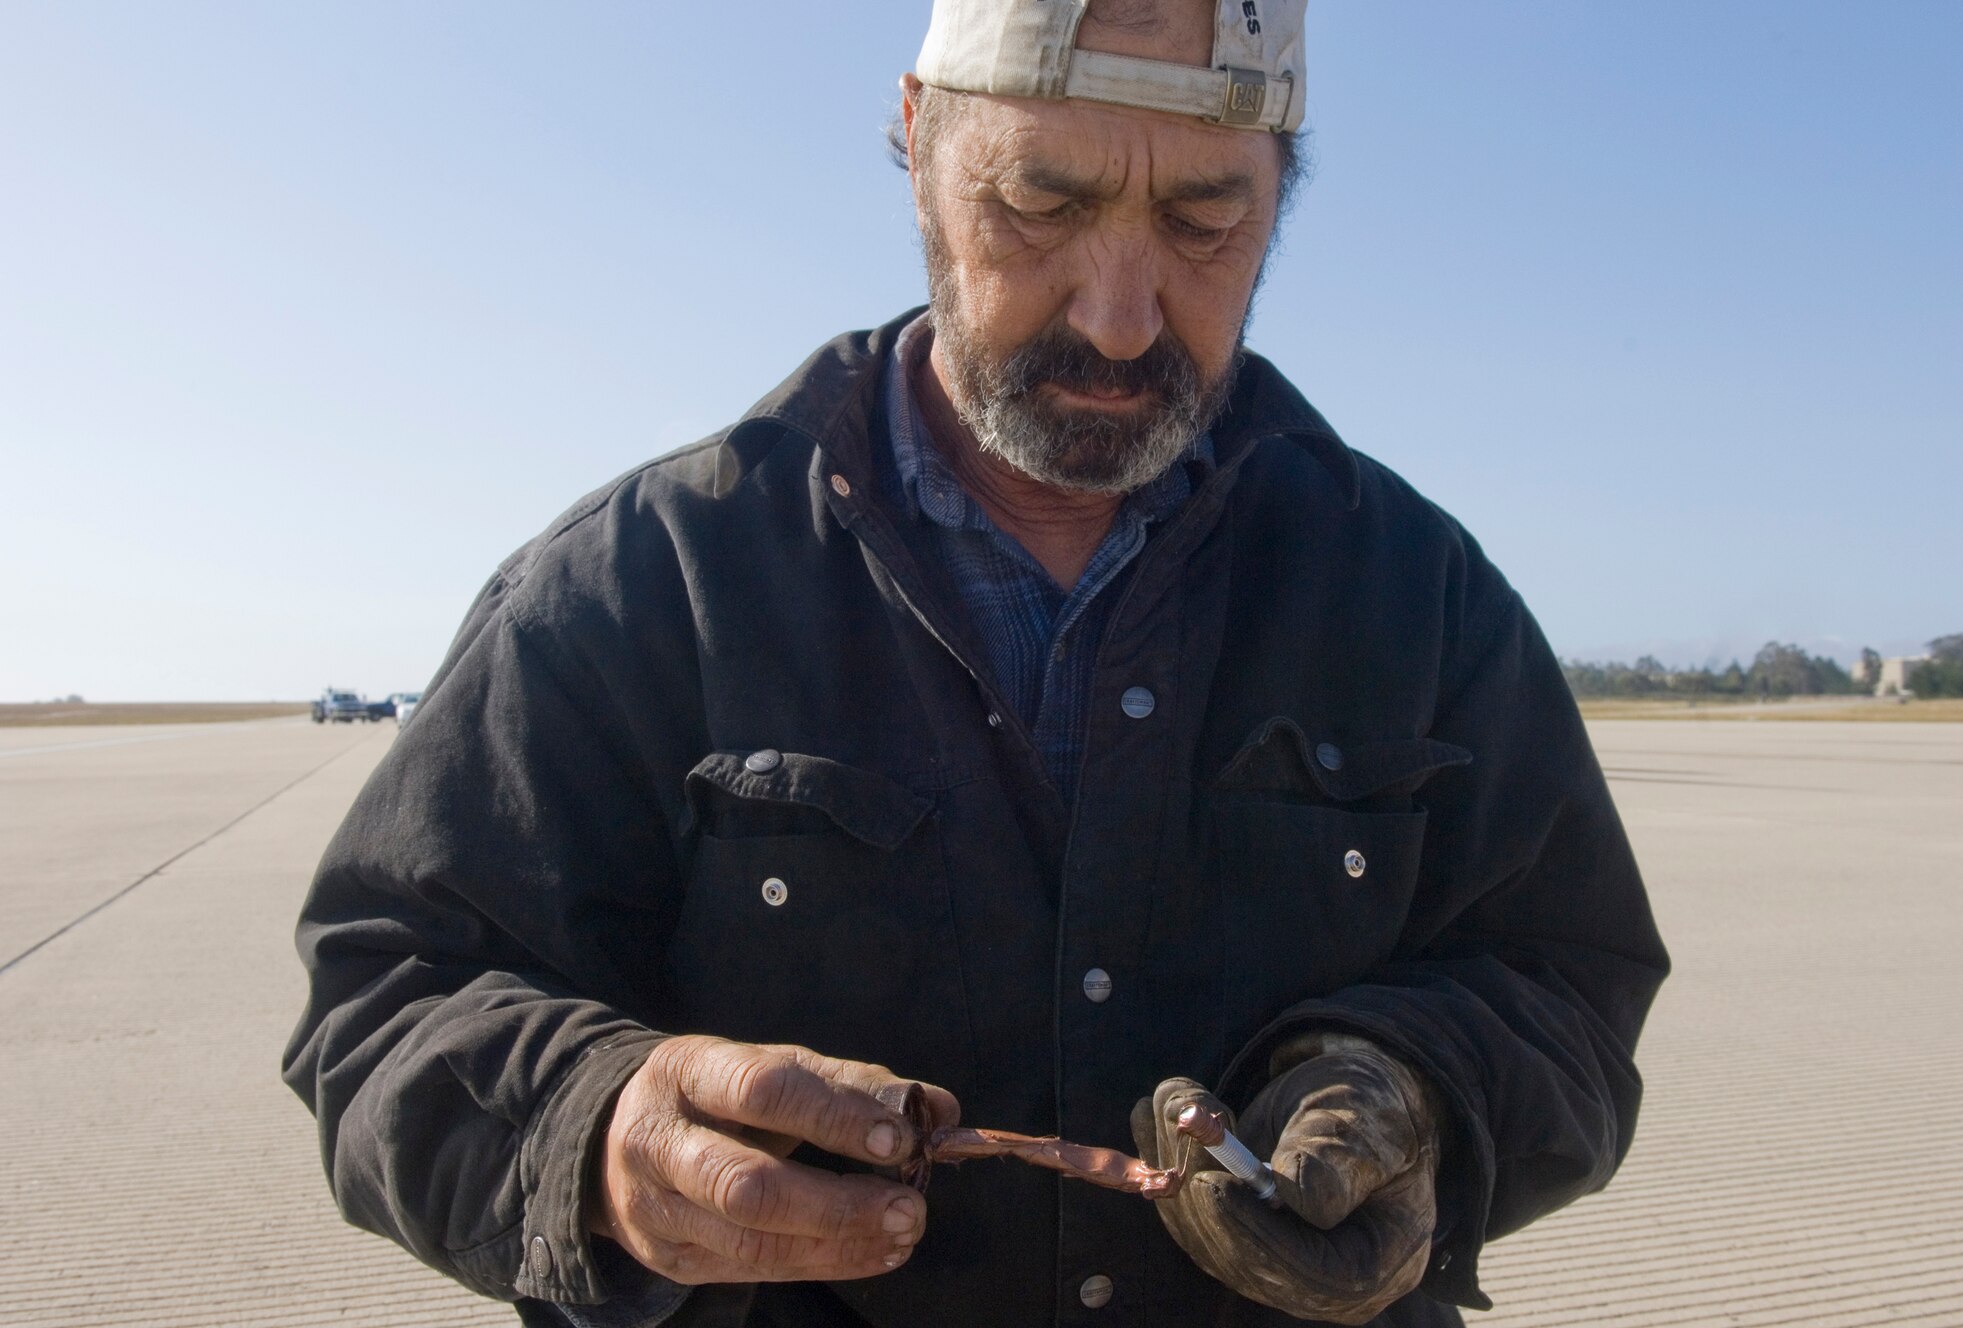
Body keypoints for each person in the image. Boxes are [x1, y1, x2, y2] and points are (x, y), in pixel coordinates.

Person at [283, 2, 1668, 1324]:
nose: (1121, 318)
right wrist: (599, 1131)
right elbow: (384, 997)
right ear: (920, 145)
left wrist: (1417, 1090)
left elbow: (1569, 984)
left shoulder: (1418, 596)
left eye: (1206, 220)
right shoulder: (642, 585)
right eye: (1043, 205)